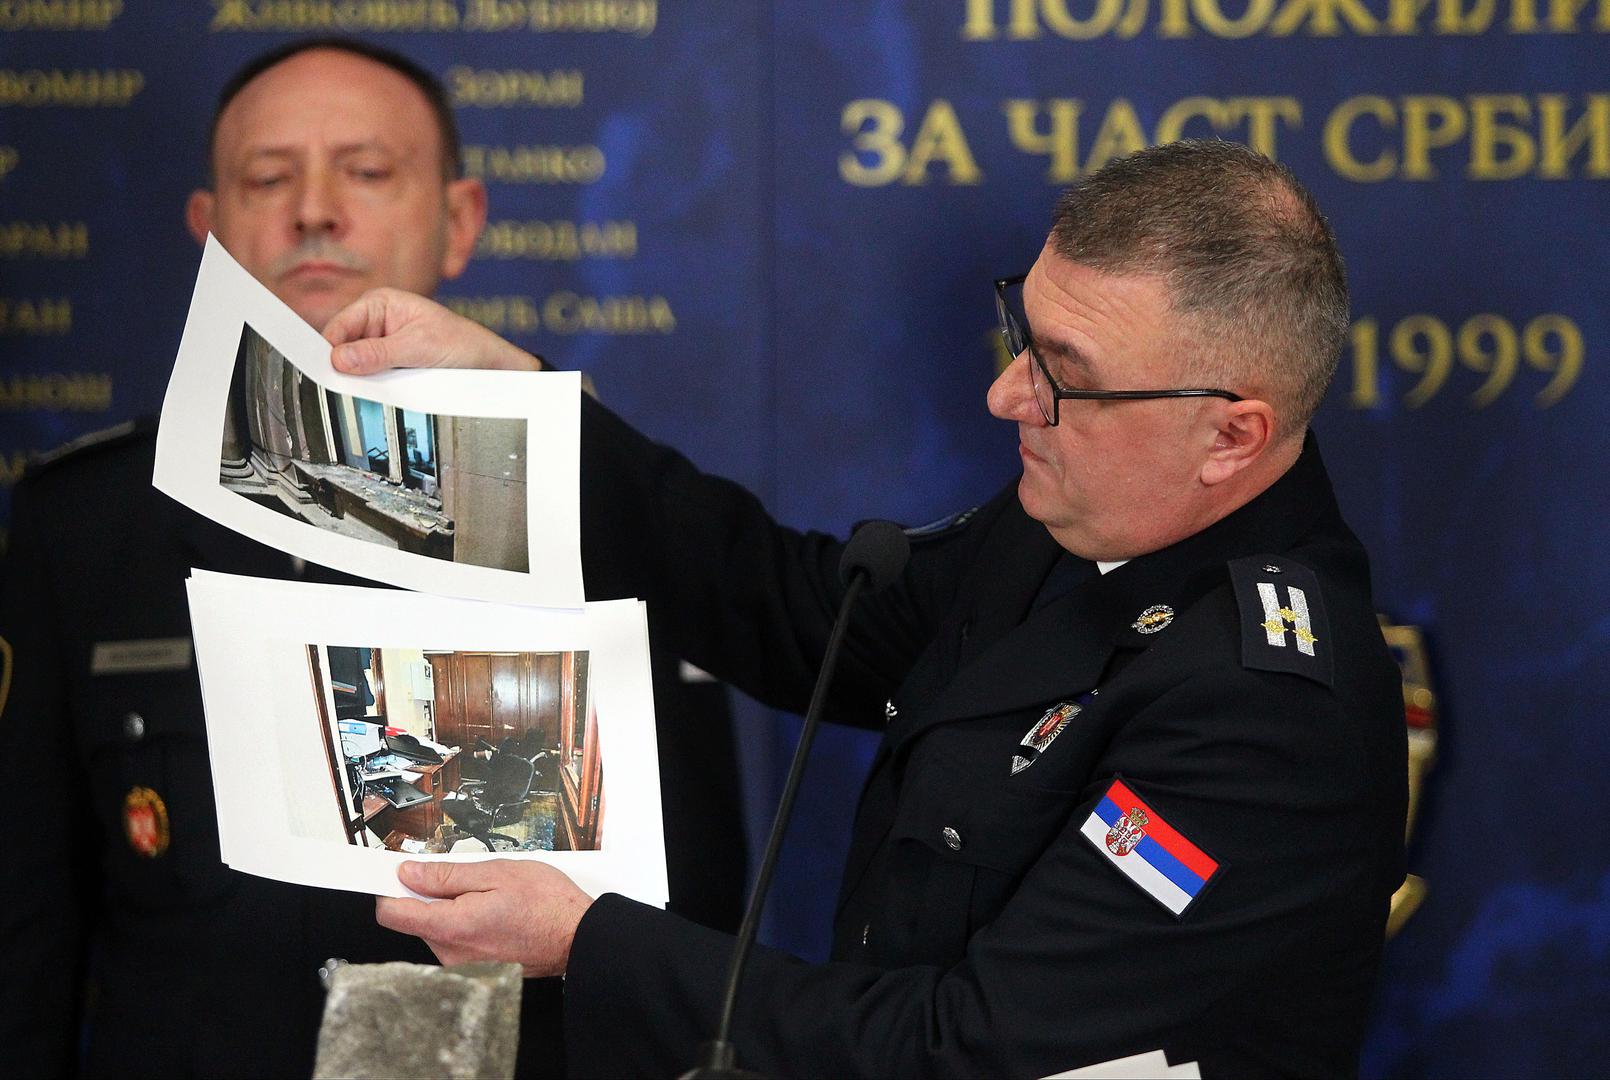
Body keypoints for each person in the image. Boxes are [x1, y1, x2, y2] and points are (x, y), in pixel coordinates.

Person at [334, 140, 1408, 1077]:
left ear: (1230, 436)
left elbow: (970, 1048)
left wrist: (591, 942)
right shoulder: (1087, 511)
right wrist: (521, 403)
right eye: (1019, 334)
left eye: (1064, 375)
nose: (1006, 396)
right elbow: (802, 614)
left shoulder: (1267, 711)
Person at [0, 38, 745, 1078]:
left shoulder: (589, 502)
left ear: (461, 219)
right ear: (206, 232)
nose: (314, 210)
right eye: (269, 178)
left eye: (366, 172)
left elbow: (689, 914)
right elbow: (22, 930)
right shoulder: (81, 525)